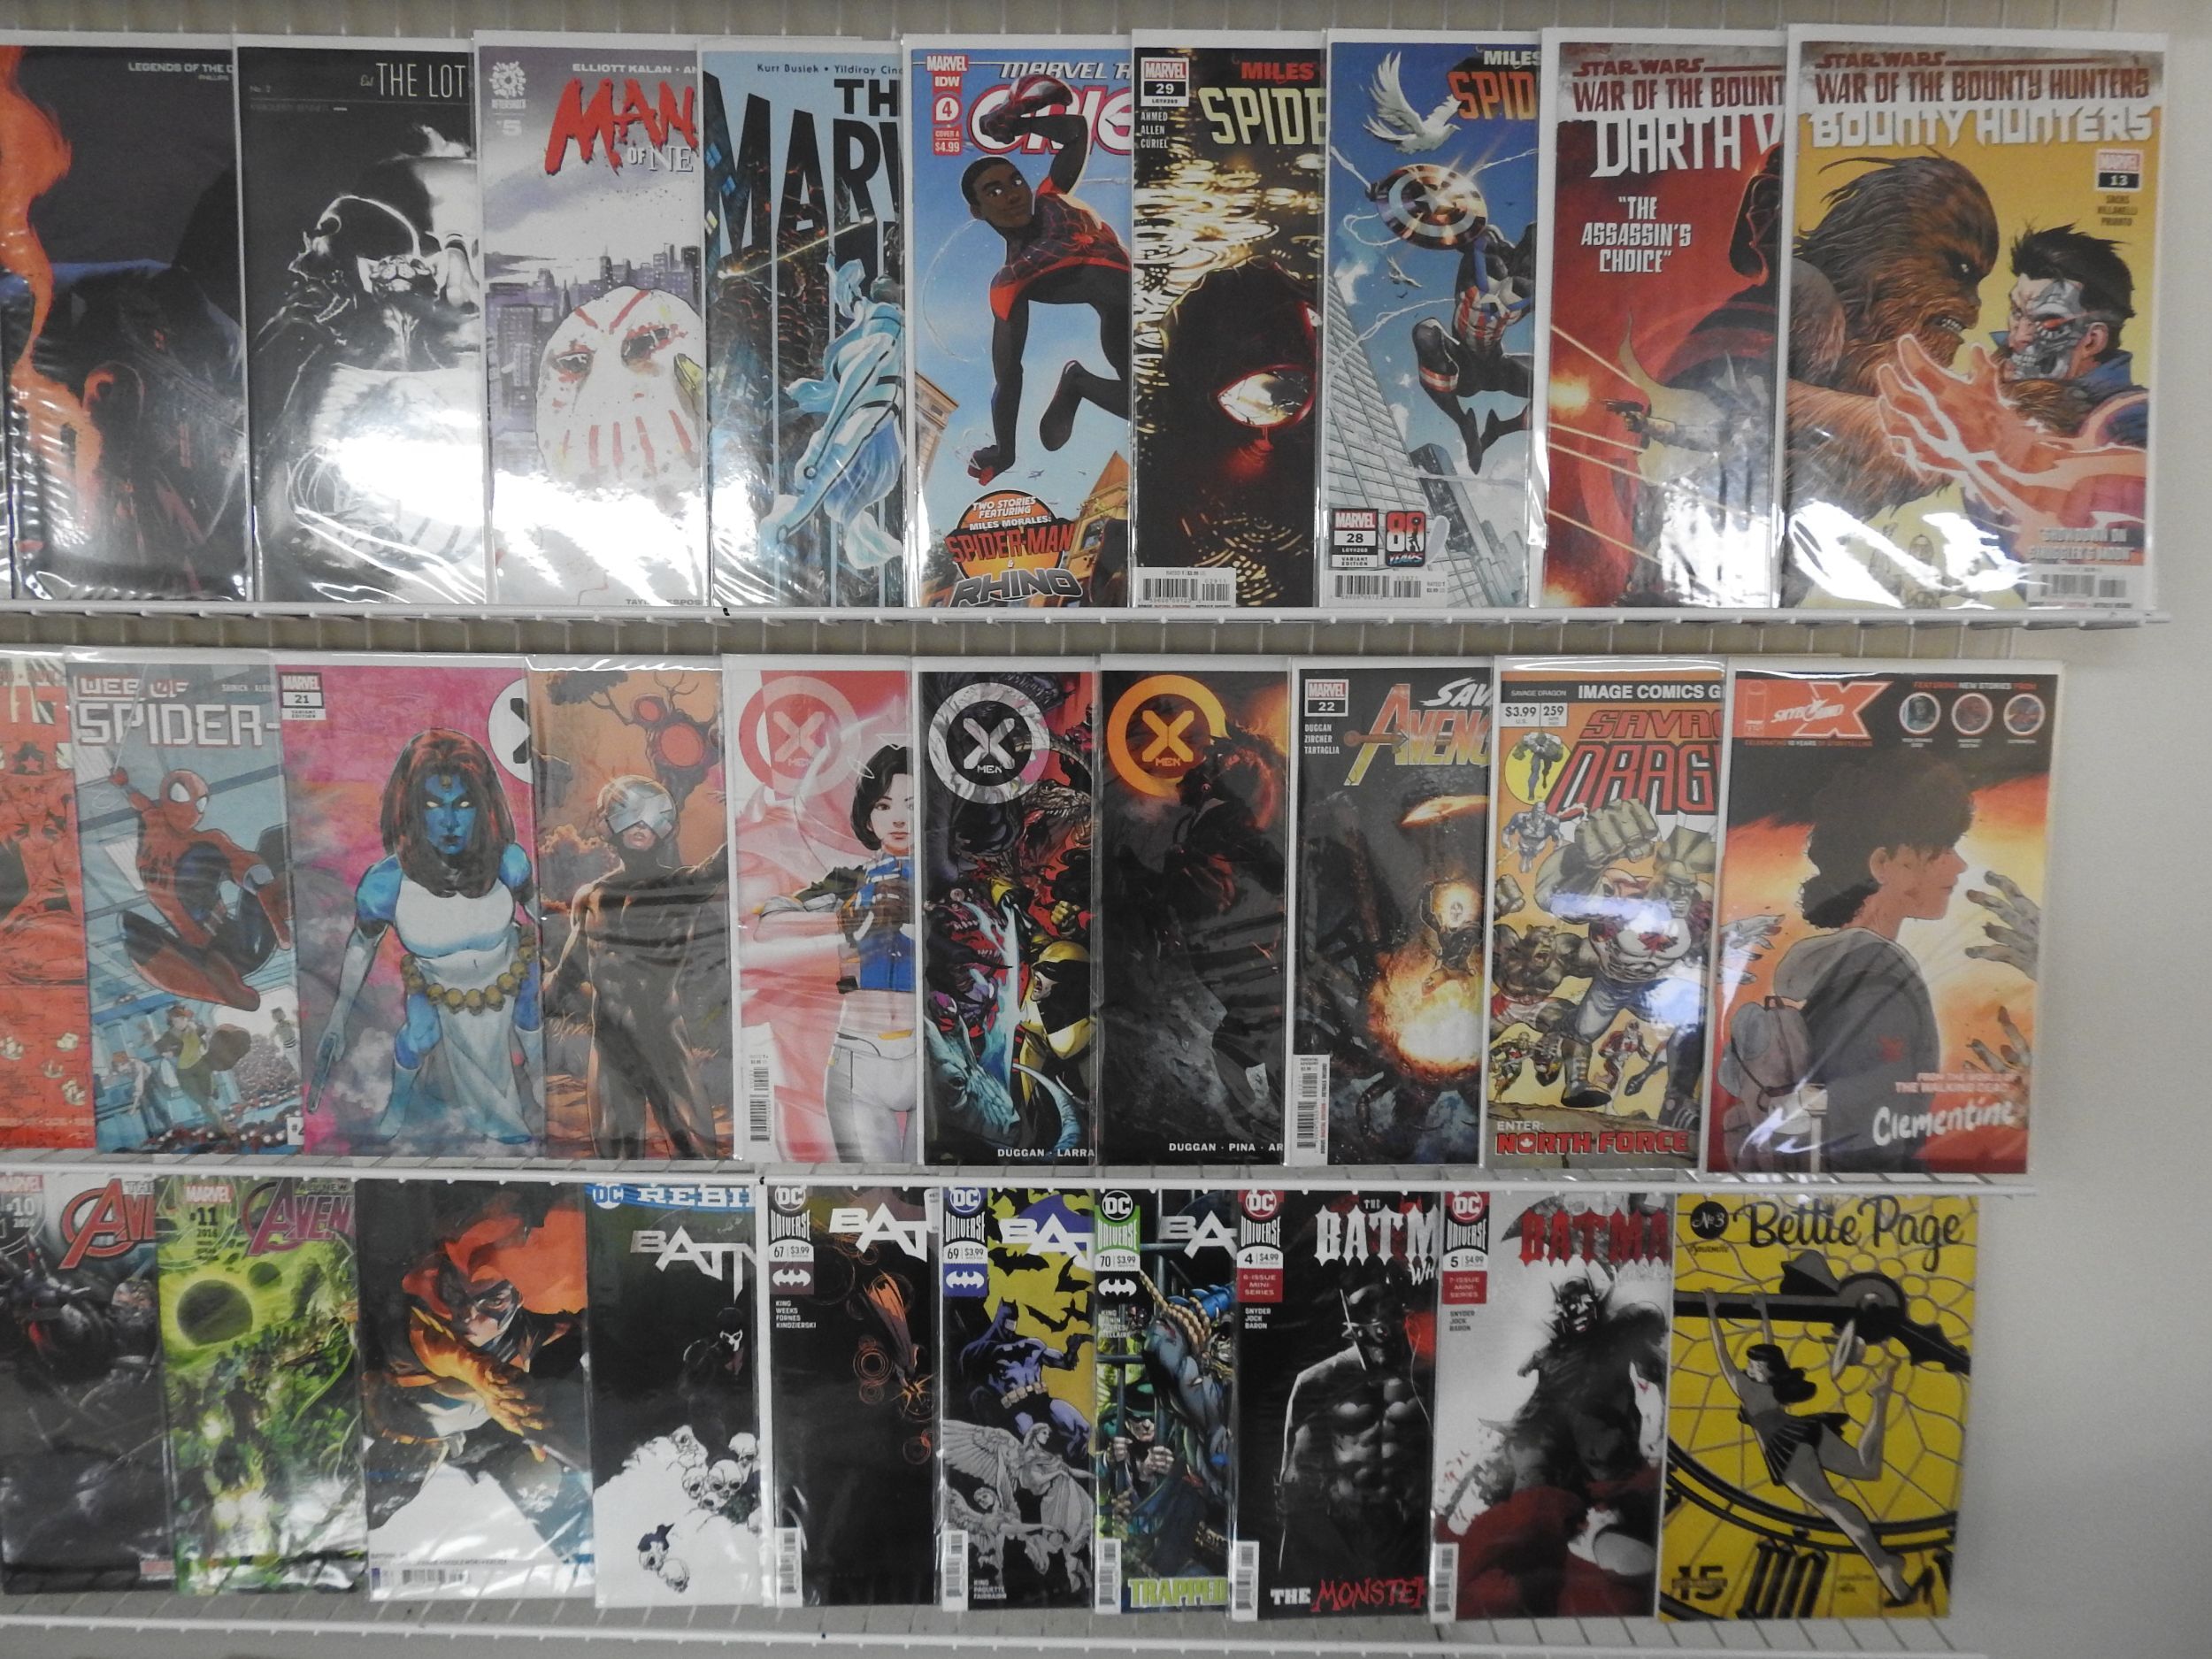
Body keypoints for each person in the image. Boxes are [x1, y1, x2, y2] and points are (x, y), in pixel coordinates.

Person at [310, 730, 540, 1147]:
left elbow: (544, 917)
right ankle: (397, 1106)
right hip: (438, 987)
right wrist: (339, 1017)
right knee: (418, 1038)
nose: (449, 821)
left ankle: (544, 1094)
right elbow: (362, 945)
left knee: (532, 1019)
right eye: (433, 805)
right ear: (411, 809)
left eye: (463, 805)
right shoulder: (385, 883)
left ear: (484, 805)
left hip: (510, 974)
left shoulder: (508, 861)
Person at [959, 74, 1132, 486]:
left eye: (1016, 181)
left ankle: (1077, 382)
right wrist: (1005, 451)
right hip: (1125, 318)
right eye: (994, 191)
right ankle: (1078, 384)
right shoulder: (1011, 281)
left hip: (1137, 306)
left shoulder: (1053, 198)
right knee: (1151, 406)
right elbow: (1009, 376)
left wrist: (1019, 125)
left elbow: (1075, 131)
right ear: (977, 211)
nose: (1013, 194)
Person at [1701, 1288, 1921, 1605]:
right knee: (1867, 1468)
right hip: (1806, 1430)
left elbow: (1721, 1350)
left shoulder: (1745, 1388)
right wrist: (1763, 1312)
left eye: (1752, 1364)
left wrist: (1712, 1310)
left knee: (1832, 1505)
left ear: (1762, 1371)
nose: (1746, 1367)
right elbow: (1770, 1346)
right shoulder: (1774, 1382)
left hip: (1784, 1447)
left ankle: (1883, 1564)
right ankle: (1880, 1400)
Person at [547, 775, 727, 1159]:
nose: (640, 826)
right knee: (615, 1151)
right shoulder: (591, 896)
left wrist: (751, 809)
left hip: (662, 1036)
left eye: (651, 817)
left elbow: (721, 865)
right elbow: (569, 970)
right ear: (608, 824)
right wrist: (524, 1012)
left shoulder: (680, 886)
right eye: (629, 815)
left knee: (696, 1149)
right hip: (610, 1040)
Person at [753, 745, 917, 1159]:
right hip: (858, 1053)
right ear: (868, 816)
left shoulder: (951, 884)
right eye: (884, 806)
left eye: (913, 805)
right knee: (873, 1189)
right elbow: (769, 925)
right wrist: (851, 917)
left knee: (940, 1187)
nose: (899, 819)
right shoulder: (849, 881)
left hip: (938, 1053)